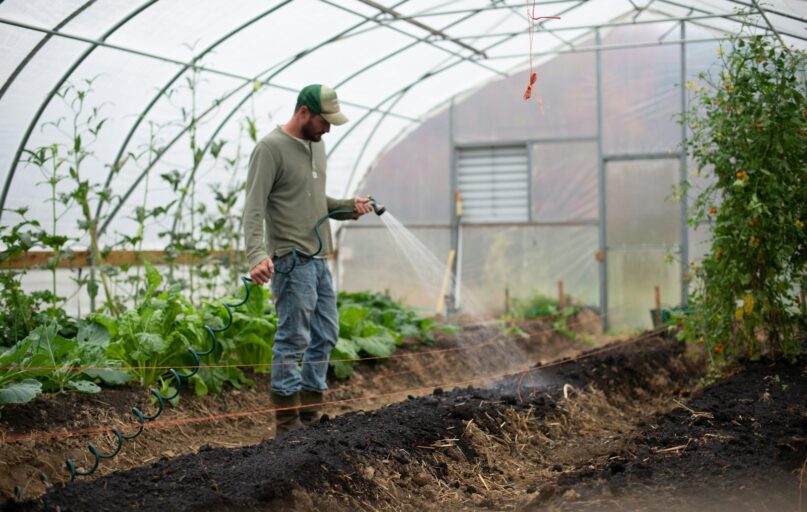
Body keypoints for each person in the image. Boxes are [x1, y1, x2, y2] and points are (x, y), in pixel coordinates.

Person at [242, 84, 373, 435]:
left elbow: (315, 202)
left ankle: (311, 416)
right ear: (303, 112)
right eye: (324, 121)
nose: (328, 128)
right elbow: (253, 208)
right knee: (293, 337)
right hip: (291, 260)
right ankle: (287, 423)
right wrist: (256, 255)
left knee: (326, 332)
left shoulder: (318, 146)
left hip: (318, 259)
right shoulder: (270, 149)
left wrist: (349, 207)